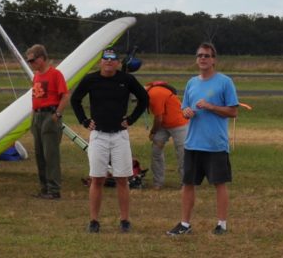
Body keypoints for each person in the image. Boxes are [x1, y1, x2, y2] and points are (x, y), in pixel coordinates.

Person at [70, 48, 148, 234]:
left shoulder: (126, 79)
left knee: (122, 179)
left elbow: (144, 98)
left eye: (113, 60)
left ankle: (124, 220)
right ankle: (94, 221)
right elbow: (75, 100)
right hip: (98, 135)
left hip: (120, 135)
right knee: (97, 178)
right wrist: (84, 120)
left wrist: (131, 119)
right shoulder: (91, 79)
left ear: (118, 63)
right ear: (101, 62)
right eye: (106, 59)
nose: (109, 63)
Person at [166, 42, 239, 236]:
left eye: (207, 55)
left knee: (219, 184)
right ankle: (184, 224)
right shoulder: (192, 83)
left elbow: (233, 111)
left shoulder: (224, 82)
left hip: (215, 144)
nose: (203, 59)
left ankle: (221, 224)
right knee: (188, 184)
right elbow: (184, 110)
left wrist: (211, 106)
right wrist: (186, 112)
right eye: (200, 55)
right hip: (193, 143)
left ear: (214, 60)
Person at [26, 44, 69, 200]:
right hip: (37, 116)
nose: (31, 64)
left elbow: (65, 95)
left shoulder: (55, 74)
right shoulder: (36, 75)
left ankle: (54, 189)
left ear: (42, 58)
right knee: (39, 154)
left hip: (50, 115)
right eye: (29, 61)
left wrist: (57, 114)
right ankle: (44, 187)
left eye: (33, 60)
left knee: (50, 154)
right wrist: (33, 116)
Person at [146, 80, 188, 189]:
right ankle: (158, 182)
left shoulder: (154, 94)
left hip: (179, 124)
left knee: (182, 153)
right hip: (164, 125)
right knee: (156, 151)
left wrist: (152, 132)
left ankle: (186, 183)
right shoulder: (150, 91)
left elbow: (158, 119)